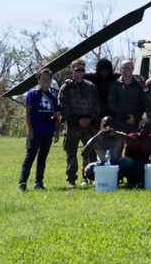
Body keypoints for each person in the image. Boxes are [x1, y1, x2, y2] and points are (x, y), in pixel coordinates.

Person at [58, 59, 101, 187]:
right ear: (72, 71)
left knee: (92, 152)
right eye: (78, 70)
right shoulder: (66, 88)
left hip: (89, 125)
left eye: (83, 69)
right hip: (73, 126)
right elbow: (63, 107)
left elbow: (96, 106)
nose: (80, 72)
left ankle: (92, 178)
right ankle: (71, 180)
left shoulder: (91, 87)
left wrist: (89, 120)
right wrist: (78, 120)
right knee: (71, 153)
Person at [19, 68, 60, 191]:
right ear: (38, 80)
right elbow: (27, 113)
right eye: (43, 78)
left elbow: (55, 115)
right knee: (30, 157)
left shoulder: (53, 96)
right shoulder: (32, 94)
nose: (46, 81)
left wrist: (56, 131)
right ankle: (22, 183)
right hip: (35, 131)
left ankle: (38, 182)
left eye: (48, 78)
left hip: (47, 131)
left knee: (42, 157)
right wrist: (29, 129)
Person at [82, 117, 139, 186]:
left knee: (128, 161)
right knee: (88, 170)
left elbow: (135, 142)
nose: (107, 128)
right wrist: (96, 137)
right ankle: (103, 180)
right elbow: (83, 154)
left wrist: (117, 134)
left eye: (110, 125)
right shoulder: (96, 137)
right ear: (101, 126)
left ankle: (115, 179)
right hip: (102, 164)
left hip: (117, 163)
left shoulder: (118, 135)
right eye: (105, 125)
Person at [107, 59, 145, 134]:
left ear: (133, 68)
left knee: (135, 141)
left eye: (130, 66)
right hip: (119, 122)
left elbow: (143, 102)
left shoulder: (140, 84)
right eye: (125, 67)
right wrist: (124, 117)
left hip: (136, 122)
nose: (128, 69)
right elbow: (111, 104)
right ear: (120, 69)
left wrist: (136, 117)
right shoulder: (114, 85)